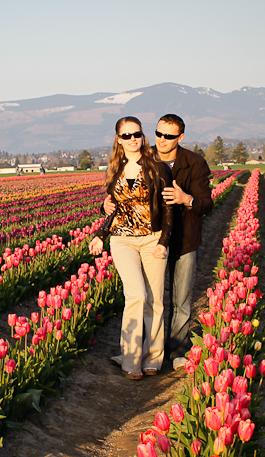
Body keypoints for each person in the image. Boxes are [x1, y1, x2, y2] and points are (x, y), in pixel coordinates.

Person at [104, 114, 212, 361]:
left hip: (184, 238)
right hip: (151, 238)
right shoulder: (143, 157)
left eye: (169, 136)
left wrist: (187, 199)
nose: (162, 140)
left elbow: (207, 204)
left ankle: (175, 351)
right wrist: (106, 206)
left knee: (181, 300)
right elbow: (122, 195)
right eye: (158, 134)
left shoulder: (195, 163)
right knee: (148, 297)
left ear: (181, 137)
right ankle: (143, 351)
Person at [89, 116, 173, 379]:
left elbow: (169, 207)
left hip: (152, 237)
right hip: (122, 239)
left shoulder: (157, 166)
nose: (132, 139)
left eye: (136, 134)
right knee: (136, 295)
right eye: (126, 135)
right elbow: (113, 208)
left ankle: (153, 358)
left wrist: (164, 241)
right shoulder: (115, 168)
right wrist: (100, 234)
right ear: (118, 139)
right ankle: (131, 360)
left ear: (142, 135)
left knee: (155, 299)